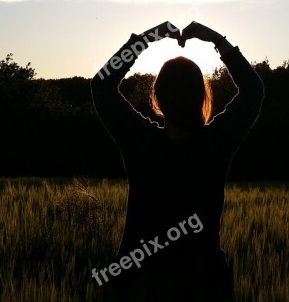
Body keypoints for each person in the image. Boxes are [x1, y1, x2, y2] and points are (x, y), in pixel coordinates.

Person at [91, 21, 264, 302]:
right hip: (206, 279)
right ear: (202, 97)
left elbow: (101, 85)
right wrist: (217, 40)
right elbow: (254, 91)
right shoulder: (215, 144)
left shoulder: (141, 143)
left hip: (138, 276)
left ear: (157, 97)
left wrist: (146, 39)